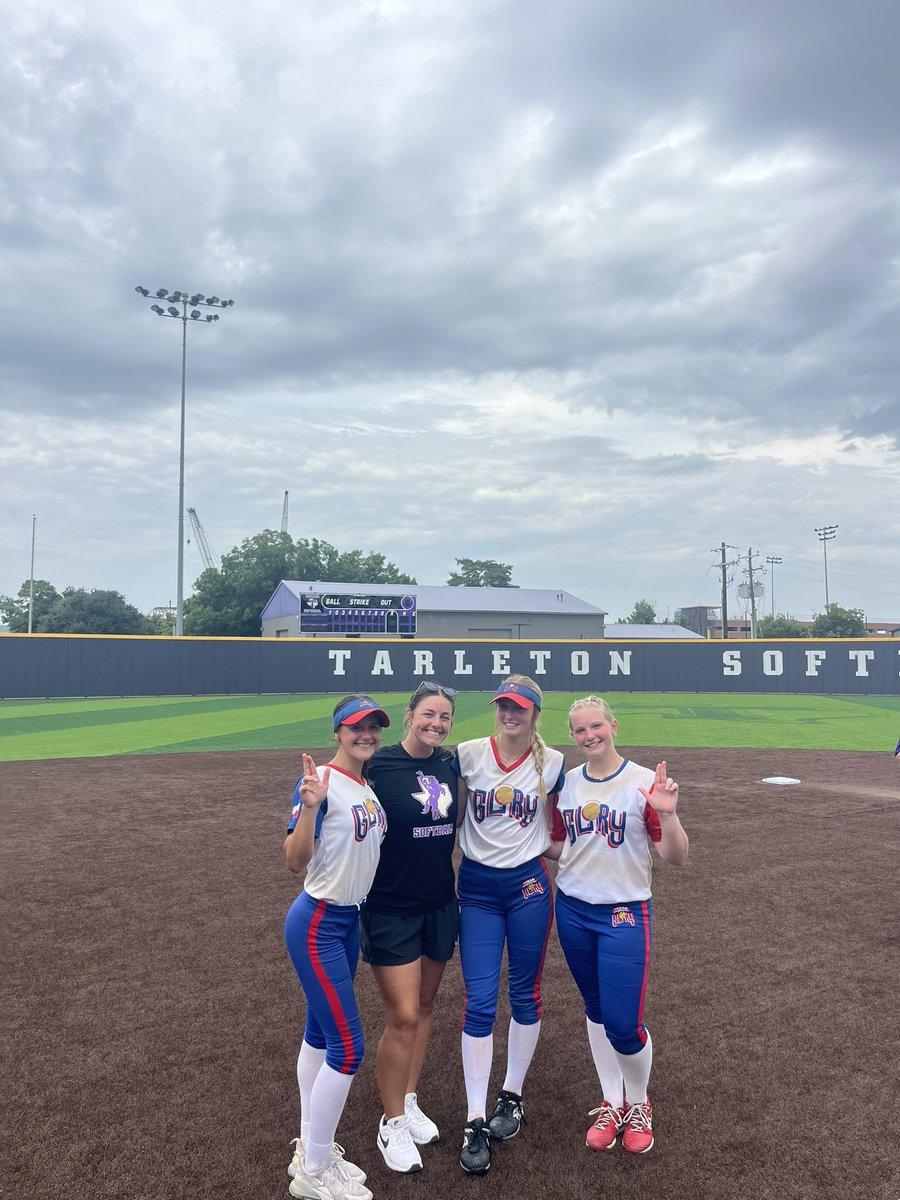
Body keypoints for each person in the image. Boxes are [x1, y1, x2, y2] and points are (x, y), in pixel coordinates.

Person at [545, 696, 689, 1156]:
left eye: (596, 726)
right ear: (572, 735)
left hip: (624, 913)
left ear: (613, 725)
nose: (589, 736)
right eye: (580, 730)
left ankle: (640, 1103)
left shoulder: (643, 782)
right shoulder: (566, 785)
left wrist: (667, 813)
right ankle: (612, 1100)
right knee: (595, 1008)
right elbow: (559, 846)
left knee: (624, 1024)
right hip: (572, 909)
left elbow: (675, 856)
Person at [453, 675, 565, 1175]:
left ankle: (511, 1096)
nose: (509, 714)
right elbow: (445, 809)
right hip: (476, 887)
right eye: (503, 706)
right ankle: (475, 1117)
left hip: (527, 888)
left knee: (525, 994)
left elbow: (568, 824)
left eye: (519, 708)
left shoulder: (556, 763)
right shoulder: (469, 753)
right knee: (478, 999)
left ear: (535, 714)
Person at [283, 695, 390, 1200]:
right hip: (318, 921)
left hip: (348, 922)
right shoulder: (321, 783)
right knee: (348, 1049)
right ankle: (316, 1169)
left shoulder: (364, 786)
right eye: (355, 727)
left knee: (320, 1035)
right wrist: (308, 808)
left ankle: (310, 1146)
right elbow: (294, 859)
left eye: (373, 727)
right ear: (337, 733)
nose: (365, 734)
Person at [362, 681, 460, 1174]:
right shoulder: (377, 767)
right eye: (428, 714)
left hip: (440, 904)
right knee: (401, 1015)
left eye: (444, 717)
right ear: (409, 714)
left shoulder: (449, 764)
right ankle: (391, 1121)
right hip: (390, 907)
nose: (436, 724)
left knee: (424, 1007)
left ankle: (410, 1096)